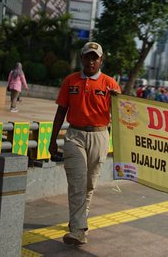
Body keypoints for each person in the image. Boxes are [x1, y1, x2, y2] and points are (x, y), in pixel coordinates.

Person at [49, 42, 121, 246]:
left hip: (100, 136)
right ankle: (79, 229)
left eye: (95, 57)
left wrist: (118, 103)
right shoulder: (70, 81)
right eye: (87, 57)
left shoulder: (111, 84)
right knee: (77, 183)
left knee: (89, 184)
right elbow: (61, 111)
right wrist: (52, 139)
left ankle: (78, 220)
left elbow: (122, 116)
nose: (91, 61)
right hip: (74, 136)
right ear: (82, 59)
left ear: (101, 60)